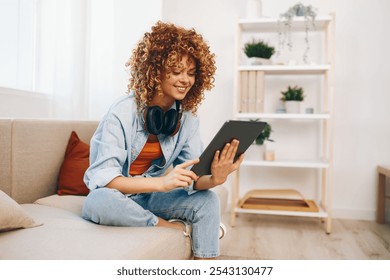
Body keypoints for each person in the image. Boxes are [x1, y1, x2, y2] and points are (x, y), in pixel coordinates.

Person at [82, 21, 244, 259]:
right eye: (176, 71)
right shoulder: (121, 112)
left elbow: (193, 179)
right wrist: (162, 183)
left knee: (208, 200)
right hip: (117, 197)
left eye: (191, 73)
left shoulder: (187, 119)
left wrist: (215, 179)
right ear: (155, 71)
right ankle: (176, 229)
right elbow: (104, 179)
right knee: (99, 201)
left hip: (152, 198)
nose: (185, 80)